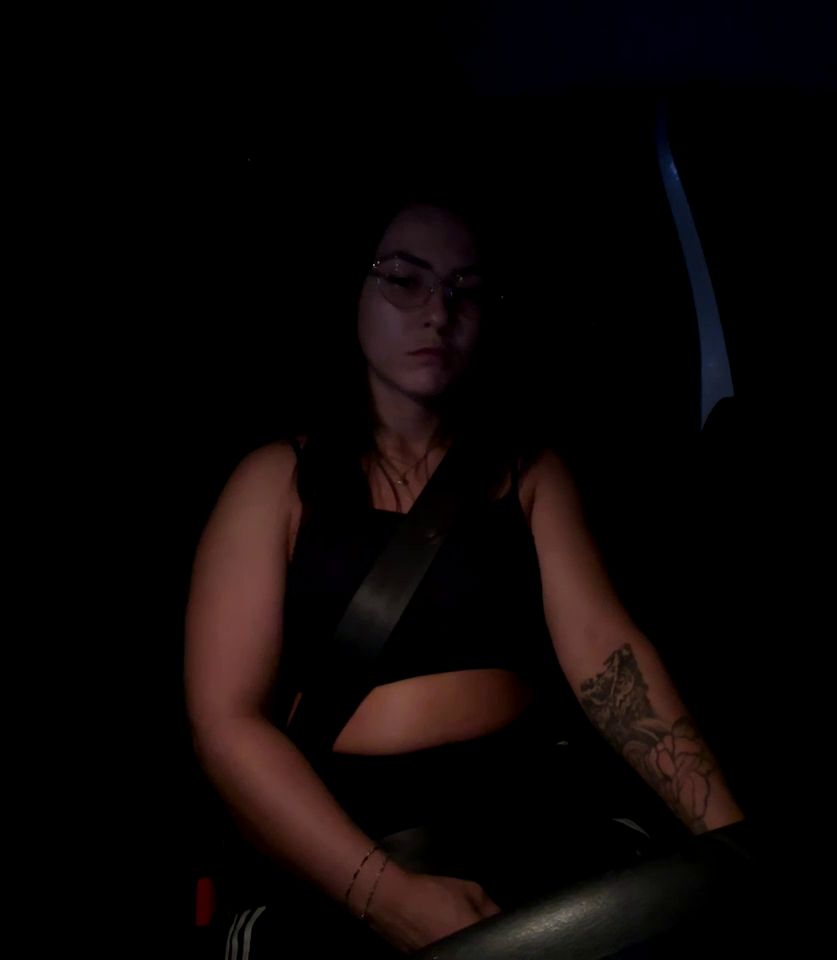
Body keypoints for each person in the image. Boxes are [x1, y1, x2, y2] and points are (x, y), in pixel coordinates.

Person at [184, 196, 746, 957]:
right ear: (355, 291)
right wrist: (386, 895)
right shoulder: (275, 480)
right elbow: (227, 722)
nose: (438, 312)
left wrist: (730, 840)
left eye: (465, 290)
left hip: (536, 809)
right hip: (344, 835)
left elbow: (606, 657)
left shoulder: (529, 474)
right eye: (404, 279)